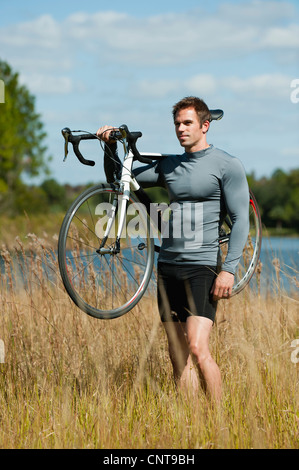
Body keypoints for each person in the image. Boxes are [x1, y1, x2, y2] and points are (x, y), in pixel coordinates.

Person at [97, 96, 249, 402]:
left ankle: (219, 421)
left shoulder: (227, 165)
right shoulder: (168, 165)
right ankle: (191, 425)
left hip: (203, 266)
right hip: (167, 266)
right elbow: (120, 181)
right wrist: (110, 147)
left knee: (197, 347)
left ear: (205, 126)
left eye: (188, 123)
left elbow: (241, 219)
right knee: (178, 354)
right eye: (177, 123)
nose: (181, 129)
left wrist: (229, 270)